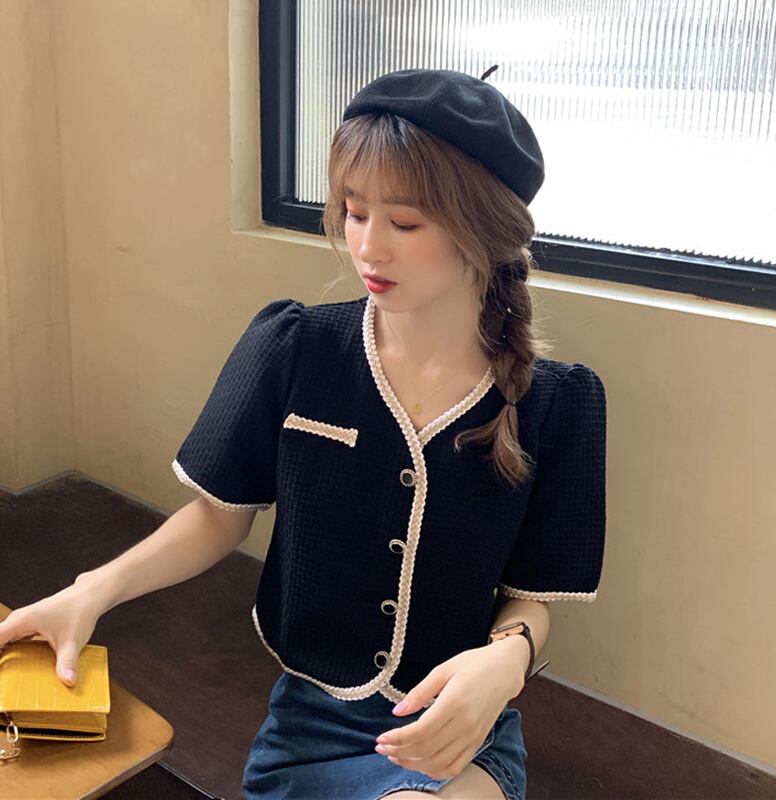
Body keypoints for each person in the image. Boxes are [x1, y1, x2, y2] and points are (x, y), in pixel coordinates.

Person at [0, 67, 607, 800]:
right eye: (353, 212)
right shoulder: (295, 347)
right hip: (308, 723)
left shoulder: (559, 404)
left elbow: (531, 597)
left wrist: (507, 662)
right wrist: (90, 592)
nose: (368, 248)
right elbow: (220, 517)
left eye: (404, 223)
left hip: (456, 729)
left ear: (485, 229)